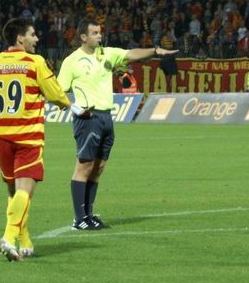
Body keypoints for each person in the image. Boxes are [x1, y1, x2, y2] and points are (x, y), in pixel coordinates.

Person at [0, 19, 80, 261]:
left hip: (1, 138)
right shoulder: (34, 62)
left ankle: (25, 241)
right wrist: (68, 104)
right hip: (27, 137)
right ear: (20, 38)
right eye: (32, 34)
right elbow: (55, 93)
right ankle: (8, 237)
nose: (36, 39)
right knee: (25, 190)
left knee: (14, 192)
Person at [57, 20, 178, 230]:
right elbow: (58, 91)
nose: (99, 36)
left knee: (98, 168)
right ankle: (79, 218)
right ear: (83, 37)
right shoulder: (72, 61)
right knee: (84, 167)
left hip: (106, 117)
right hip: (88, 118)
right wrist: (76, 109)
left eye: (100, 32)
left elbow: (132, 54)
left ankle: (89, 214)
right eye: (95, 33)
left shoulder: (107, 54)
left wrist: (155, 51)